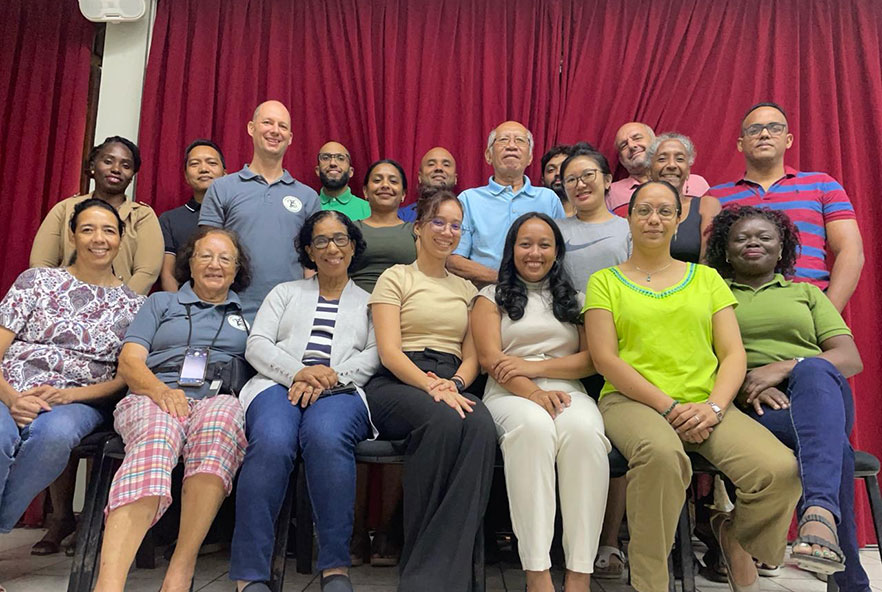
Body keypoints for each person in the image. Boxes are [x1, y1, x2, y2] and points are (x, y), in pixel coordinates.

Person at [584, 180, 801, 592]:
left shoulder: (706, 280)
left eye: (665, 211)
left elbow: (733, 355)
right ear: (627, 218)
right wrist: (668, 407)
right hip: (634, 402)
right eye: (644, 210)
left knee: (780, 471)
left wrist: (715, 407)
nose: (654, 219)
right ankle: (650, 583)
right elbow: (605, 359)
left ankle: (734, 537)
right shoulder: (605, 281)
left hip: (708, 403)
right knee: (663, 457)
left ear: (680, 218)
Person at [706, 205, 868, 592]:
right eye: (741, 238)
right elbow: (697, 359)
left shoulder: (806, 293)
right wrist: (748, 382)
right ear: (725, 251)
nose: (752, 243)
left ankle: (817, 515)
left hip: (817, 395)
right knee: (836, 452)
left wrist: (786, 367)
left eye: (764, 237)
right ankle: (833, 547)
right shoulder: (712, 294)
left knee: (814, 369)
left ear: (782, 249)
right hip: (752, 407)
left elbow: (848, 358)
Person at [94, 227, 252, 592]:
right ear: (189, 263)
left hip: (217, 397)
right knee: (158, 436)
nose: (215, 264)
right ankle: (108, 583)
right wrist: (160, 391)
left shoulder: (249, 314)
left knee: (224, 420)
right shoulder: (160, 304)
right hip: (152, 395)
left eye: (225, 258)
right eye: (205, 256)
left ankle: (181, 568)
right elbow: (130, 362)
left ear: (237, 268)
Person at [231, 210, 378, 592]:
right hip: (276, 385)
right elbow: (257, 344)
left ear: (353, 246)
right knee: (273, 441)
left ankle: (334, 569)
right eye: (322, 241)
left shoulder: (370, 302)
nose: (332, 247)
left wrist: (328, 378)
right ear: (309, 251)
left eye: (341, 239)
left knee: (327, 438)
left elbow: (376, 354)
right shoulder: (284, 293)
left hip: (341, 390)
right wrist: (298, 372)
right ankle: (249, 576)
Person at [365, 191, 497, 592]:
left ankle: (449, 570)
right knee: (442, 419)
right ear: (418, 228)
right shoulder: (396, 277)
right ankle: (422, 575)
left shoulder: (466, 289)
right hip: (399, 381)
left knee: (481, 425)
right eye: (438, 222)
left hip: (451, 380)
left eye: (455, 224)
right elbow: (388, 352)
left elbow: (472, 356)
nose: (447, 231)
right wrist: (430, 386)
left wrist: (453, 384)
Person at [472, 213, 609, 592]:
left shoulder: (576, 300)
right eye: (526, 244)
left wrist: (537, 367)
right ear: (511, 249)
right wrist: (532, 390)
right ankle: (538, 574)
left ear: (557, 252)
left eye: (544, 245)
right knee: (533, 431)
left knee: (584, 434)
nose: (535, 253)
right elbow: (490, 360)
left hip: (569, 391)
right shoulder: (489, 298)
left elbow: (591, 359)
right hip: (508, 394)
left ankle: (580, 575)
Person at [0, 199, 143, 551]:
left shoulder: (134, 305)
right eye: (88, 229)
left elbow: (125, 377)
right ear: (73, 236)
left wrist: (69, 396)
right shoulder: (36, 281)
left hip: (77, 399)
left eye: (109, 230)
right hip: (10, 388)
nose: (99, 238)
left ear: (120, 239)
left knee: (54, 437)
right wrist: (12, 398)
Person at [706, 102, 864, 311]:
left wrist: (827, 315)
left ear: (788, 140)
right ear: (740, 144)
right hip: (739, 309)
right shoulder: (715, 197)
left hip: (809, 305)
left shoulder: (823, 185)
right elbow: (708, 261)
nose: (764, 134)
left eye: (774, 128)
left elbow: (851, 250)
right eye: (754, 129)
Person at [199, 100, 321, 321]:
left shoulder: (308, 197)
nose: (275, 131)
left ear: (290, 138)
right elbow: (206, 255)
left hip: (290, 314)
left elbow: (312, 263)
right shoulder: (222, 188)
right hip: (229, 310)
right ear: (251, 128)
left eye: (282, 126)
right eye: (267, 122)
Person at [30, 135, 163, 295]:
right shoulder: (65, 208)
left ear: (132, 175)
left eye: (126, 165)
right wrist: (57, 301)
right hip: (61, 304)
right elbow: (41, 263)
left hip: (120, 309)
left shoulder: (142, 215)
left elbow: (147, 272)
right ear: (93, 165)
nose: (116, 169)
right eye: (108, 161)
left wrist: (114, 306)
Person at [448, 121, 566, 286]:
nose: (511, 146)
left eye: (519, 140)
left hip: (539, 294)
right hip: (484, 292)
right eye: (503, 140)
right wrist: (504, 279)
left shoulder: (549, 199)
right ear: (488, 156)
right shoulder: (468, 199)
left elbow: (562, 255)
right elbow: (453, 260)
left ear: (530, 157)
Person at [555, 148, 631, 291]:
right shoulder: (555, 230)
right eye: (571, 180)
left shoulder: (628, 230)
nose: (580, 185)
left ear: (607, 180)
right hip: (568, 310)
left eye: (588, 175)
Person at [159, 139, 227, 291]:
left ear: (225, 174)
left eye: (212, 163)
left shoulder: (237, 215)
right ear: (185, 176)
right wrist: (178, 311)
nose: (204, 169)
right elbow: (167, 274)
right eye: (195, 163)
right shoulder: (169, 220)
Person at [607, 122, 709, 218]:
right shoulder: (612, 193)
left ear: (655, 141)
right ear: (620, 159)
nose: (631, 145)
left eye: (637, 138)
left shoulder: (698, 183)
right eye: (623, 145)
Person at [646, 132, 721, 262]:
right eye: (662, 159)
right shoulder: (637, 210)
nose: (671, 165)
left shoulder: (706, 206)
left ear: (688, 171)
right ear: (649, 171)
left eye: (680, 159)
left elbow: (708, 263)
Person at [350, 160, 416, 293]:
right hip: (354, 306)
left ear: (403, 194)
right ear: (365, 191)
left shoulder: (416, 231)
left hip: (405, 306)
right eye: (377, 180)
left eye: (393, 181)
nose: (385, 185)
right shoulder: (349, 230)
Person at [398, 147, 458, 223]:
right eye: (431, 164)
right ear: (420, 177)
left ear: (455, 178)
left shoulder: (467, 214)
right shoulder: (402, 217)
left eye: (446, 165)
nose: (439, 168)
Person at [316, 141, 371, 221]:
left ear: (350, 172)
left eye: (341, 158)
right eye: (325, 158)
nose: (333, 163)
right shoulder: (308, 207)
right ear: (317, 170)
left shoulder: (368, 209)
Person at [541, 144, 575, 216]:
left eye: (563, 167)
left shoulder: (590, 215)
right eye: (551, 170)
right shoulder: (537, 216)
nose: (557, 173)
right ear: (542, 180)